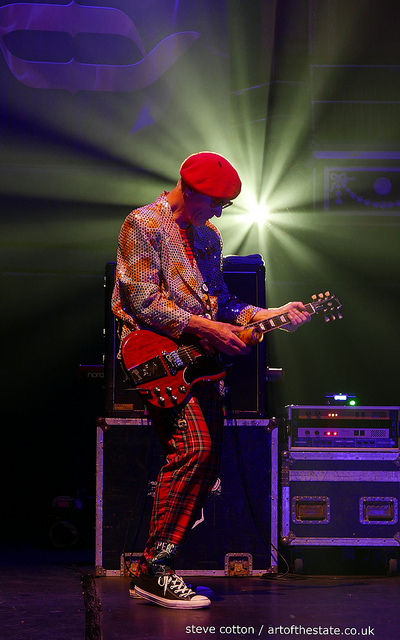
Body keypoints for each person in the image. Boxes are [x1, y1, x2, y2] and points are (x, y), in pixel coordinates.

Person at [111, 151, 310, 609]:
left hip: (196, 363)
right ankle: (157, 569)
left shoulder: (208, 237)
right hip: (157, 356)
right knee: (194, 449)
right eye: (217, 202)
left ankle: (153, 569)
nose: (221, 212)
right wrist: (207, 329)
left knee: (207, 461)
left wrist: (268, 314)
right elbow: (143, 301)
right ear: (191, 190)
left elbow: (218, 302)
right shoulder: (143, 224)